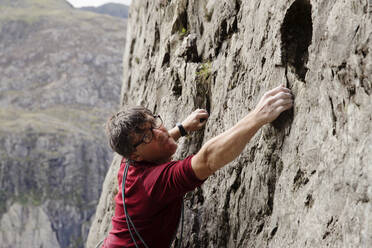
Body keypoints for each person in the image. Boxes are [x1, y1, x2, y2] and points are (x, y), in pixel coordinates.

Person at [102, 85, 293, 248]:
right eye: (146, 137)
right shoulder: (153, 183)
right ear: (135, 155)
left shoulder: (130, 158)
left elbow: (156, 137)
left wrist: (181, 129)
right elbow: (207, 159)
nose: (159, 132)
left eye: (153, 123)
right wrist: (257, 117)